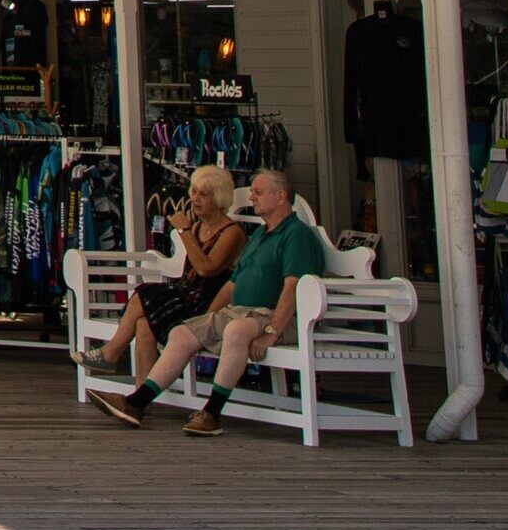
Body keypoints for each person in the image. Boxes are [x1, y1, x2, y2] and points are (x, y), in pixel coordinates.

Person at [90, 167, 333, 435]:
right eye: (251, 191)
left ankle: (212, 413)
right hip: (241, 313)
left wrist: (271, 333)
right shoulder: (260, 236)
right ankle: (135, 403)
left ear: (280, 197)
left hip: (275, 317)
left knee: (236, 329)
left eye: (258, 192)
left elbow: (293, 286)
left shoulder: (296, 235)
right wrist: (206, 319)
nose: (252, 197)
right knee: (182, 333)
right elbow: (233, 284)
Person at [85, 164, 246, 378]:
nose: (195, 199)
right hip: (186, 295)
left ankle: (110, 353)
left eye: (203, 194)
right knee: (144, 324)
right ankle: (138, 399)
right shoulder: (198, 227)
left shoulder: (231, 232)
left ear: (218, 199)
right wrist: (189, 230)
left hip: (207, 305)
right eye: (194, 192)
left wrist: (184, 230)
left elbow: (207, 269)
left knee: (145, 291)